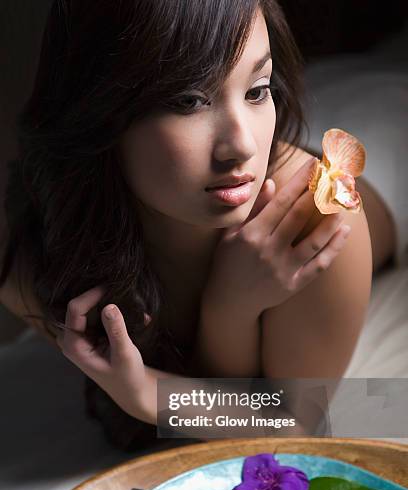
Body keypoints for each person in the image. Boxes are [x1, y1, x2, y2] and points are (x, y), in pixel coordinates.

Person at [1, 0, 388, 431]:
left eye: (259, 90)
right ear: (96, 109)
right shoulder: (34, 242)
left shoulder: (325, 213)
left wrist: (153, 391)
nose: (242, 146)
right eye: (188, 100)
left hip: (388, 141)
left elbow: (291, 423)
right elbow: (235, 395)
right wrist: (230, 310)